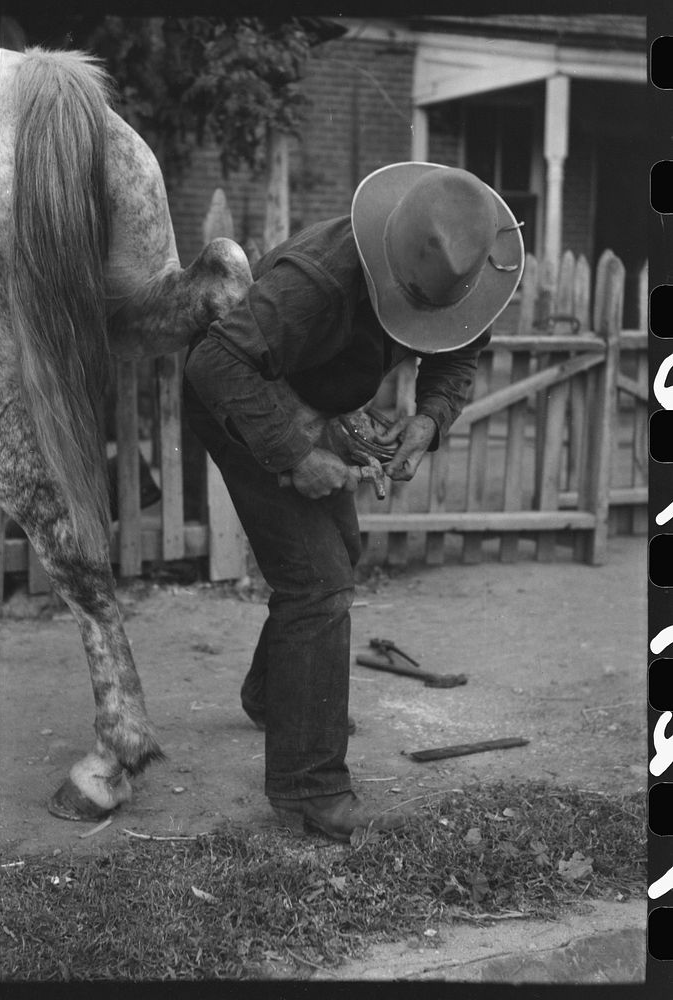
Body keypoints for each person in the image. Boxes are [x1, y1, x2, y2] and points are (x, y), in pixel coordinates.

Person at [183, 162, 524, 842]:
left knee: (335, 555)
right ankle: (308, 789)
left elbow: (458, 349)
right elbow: (214, 365)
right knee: (317, 582)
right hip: (238, 401)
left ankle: (272, 696)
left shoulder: (465, 266)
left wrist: (428, 420)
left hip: (309, 399)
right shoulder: (312, 283)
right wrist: (295, 456)